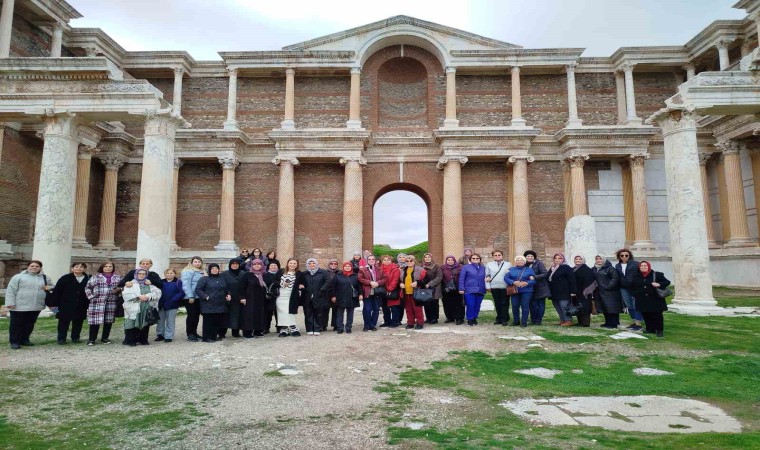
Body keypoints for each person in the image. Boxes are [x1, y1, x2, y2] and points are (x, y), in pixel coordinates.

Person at [6, 260, 50, 349]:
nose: (34, 267)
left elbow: (51, 286)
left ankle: (25, 339)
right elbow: (11, 290)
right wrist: (10, 302)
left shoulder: (45, 277)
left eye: (37, 266)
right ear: (28, 267)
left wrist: (49, 287)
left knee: (29, 324)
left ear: (40, 268)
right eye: (32, 266)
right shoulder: (18, 277)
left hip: (36, 305)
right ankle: (14, 341)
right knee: (16, 324)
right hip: (19, 305)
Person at [48, 262, 90, 345]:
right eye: (76, 266)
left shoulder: (88, 279)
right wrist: (54, 304)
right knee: (63, 322)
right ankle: (61, 338)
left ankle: (75, 337)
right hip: (65, 304)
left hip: (81, 304)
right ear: (72, 268)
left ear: (84, 269)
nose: (79, 268)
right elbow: (57, 291)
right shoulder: (65, 278)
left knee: (78, 322)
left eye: (81, 267)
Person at [121, 268, 161, 346]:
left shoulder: (149, 283)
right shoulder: (130, 283)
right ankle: (131, 340)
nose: (141, 275)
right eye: (139, 274)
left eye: (143, 274)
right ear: (136, 274)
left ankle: (143, 339)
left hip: (145, 306)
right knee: (132, 323)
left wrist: (148, 296)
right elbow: (126, 294)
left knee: (144, 322)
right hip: (133, 306)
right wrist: (138, 297)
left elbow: (157, 292)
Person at [85, 261, 122, 345]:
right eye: (106, 266)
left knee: (108, 321)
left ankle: (105, 338)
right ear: (102, 267)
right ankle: (92, 339)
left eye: (110, 266)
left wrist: (119, 290)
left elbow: (122, 287)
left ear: (113, 268)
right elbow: (87, 287)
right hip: (97, 301)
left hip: (111, 301)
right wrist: (91, 297)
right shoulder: (96, 277)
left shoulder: (118, 278)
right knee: (95, 321)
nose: (108, 268)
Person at [630, 261, 671, 337]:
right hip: (642, 299)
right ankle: (650, 329)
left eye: (645, 265)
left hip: (655, 299)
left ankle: (659, 330)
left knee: (657, 315)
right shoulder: (636, 276)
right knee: (646, 314)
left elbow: (667, 282)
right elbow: (632, 287)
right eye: (641, 266)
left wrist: (659, 284)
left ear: (649, 266)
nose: (643, 267)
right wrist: (635, 294)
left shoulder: (657, 274)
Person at [194, 263, 231, 343]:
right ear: (210, 270)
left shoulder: (222, 278)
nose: (215, 270)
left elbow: (226, 288)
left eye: (216, 268)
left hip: (220, 303)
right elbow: (198, 289)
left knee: (216, 321)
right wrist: (205, 296)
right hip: (208, 303)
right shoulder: (204, 279)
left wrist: (228, 294)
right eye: (213, 268)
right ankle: (206, 337)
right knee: (208, 321)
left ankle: (214, 336)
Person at [329, 261, 363, 334]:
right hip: (340, 297)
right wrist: (333, 296)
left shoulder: (355, 276)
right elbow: (332, 287)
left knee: (350, 313)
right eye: (346, 266)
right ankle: (340, 328)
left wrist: (360, 294)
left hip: (351, 297)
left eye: (349, 266)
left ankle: (348, 327)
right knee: (339, 313)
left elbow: (358, 286)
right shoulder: (338, 276)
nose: (347, 267)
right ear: (343, 267)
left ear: (351, 267)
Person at [591, 255, 624, 329]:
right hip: (599, 291)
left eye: (600, 259)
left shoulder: (610, 268)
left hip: (610, 292)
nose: (599, 260)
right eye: (597, 259)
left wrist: (608, 286)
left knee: (612, 308)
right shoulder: (594, 269)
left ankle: (613, 324)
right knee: (604, 307)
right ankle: (607, 322)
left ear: (604, 260)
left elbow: (615, 278)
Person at [240, 259, 270, 338]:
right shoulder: (247, 274)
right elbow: (242, 287)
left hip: (260, 298)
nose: (257, 266)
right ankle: (247, 332)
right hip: (250, 298)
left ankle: (258, 331)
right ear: (252, 265)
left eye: (259, 264)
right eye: (254, 264)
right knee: (249, 315)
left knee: (259, 314)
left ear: (262, 265)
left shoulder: (263, 275)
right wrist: (242, 297)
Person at [615, 248, 643, 332]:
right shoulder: (617, 266)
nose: (624, 257)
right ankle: (634, 321)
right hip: (623, 288)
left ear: (629, 256)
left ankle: (638, 323)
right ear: (619, 256)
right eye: (622, 255)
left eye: (626, 255)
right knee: (629, 305)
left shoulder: (636, 264)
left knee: (636, 305)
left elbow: (641, 273)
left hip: (634, 287)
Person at [505, 256, 536, 327]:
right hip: (514, 290)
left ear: (524, 261)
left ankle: (524, 322)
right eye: (518, 260)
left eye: (521, 260)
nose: (519, 261)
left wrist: (527, 283)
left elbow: (534, 280)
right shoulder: (511, 269)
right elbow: (506, 278)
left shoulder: (530, 270)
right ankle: (516, 321)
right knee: (515, 306)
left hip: (527, 290)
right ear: (515, 262)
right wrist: (513, 282)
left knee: (525, 305)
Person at [301, 258, 330, 335]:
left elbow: (327, 281)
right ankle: (309, 329)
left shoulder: (323, 272)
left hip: (319, 296)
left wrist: (321, 290)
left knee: (319, 313)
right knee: (308, 313)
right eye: (310, 264)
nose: (311, 265)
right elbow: (301, 282)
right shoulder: (304, 273)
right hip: (307, 296)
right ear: (307, 265)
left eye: (313, 263)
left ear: (316, 264)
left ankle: (317, 328)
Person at [547, 253, 576, 326]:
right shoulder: (552, 268)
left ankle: (568, 320)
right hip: (554, 291)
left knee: (564, 306)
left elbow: (572, 279)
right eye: (555, 258)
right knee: (557, 306)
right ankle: (562, 320)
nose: (557, 260)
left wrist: (573, 291)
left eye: (559, 258)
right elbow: (548, 277)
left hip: (564, 291)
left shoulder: (566, 267)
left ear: (563, 259)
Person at [181, 256, 206, 342]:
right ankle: (190, 334)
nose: (197, 263)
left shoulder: (201, 272)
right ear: (191, 263)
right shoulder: (188, 271)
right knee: (191, 316)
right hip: (191, 297)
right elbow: (186, 284)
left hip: (199, 297)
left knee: (196, 316)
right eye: (195, 262)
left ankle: (194, 332)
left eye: (199, 262)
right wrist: (190, 296)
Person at [358, 255, 386, 331]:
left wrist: (377, 283)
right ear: (367, 260)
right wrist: (370, 282)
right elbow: (360, 279)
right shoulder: (363, 269)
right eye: (369, 259)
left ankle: (373, 325)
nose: (371, 260)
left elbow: (385, 278)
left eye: (373, 259)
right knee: (367, 309)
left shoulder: (380, 269)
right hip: (367, 291)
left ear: (375, 260)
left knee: (376, 309)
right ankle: (366, 325)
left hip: (377, 292)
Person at [156, 268, 183, 343]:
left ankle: (168, 336)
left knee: (170, 321)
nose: (169, 274)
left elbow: (181, 293)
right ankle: (160, 334)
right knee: (160, 320)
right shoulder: (161, 282)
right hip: (161, 304)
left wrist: (174, 299)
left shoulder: (178, 282)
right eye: (167, 273)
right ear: (165, 274)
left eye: (171, 273)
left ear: (174, 274)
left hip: (172, 304)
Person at [458, 253, 486, 326]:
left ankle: (474, 317)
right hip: (469, 289)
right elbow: (461, 278)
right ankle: (470, 319)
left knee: (477, 305)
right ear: (470, 260)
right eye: (473, 258)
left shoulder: (483, 268)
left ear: (480, 260)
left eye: (477, 258)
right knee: (470, 305)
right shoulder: (466, 267)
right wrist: (461, 288)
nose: (475, 259)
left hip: (481, 289)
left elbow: (487, 276)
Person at [277, 258, 303, 337]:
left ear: (297, 265)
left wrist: (300, 285)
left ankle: (293, 327)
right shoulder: (281, 271)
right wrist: (282, 283)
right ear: (288, 264)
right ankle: (284, 328)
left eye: (294, 263)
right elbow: (274, 281)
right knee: (282, 312)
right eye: (291, 263)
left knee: (290, 311)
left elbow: (303, 282)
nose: (292, 265)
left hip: (292, 295)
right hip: (281, 295)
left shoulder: (298, 273)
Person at [222, 258, 246, 337]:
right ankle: (222, 333)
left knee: (237, 315)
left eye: (236, 264)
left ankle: (235, 332)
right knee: (225, 316)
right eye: (233, 264)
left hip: (239, 297)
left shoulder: (243, 273)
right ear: (230, 265)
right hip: (228, 297)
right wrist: (227, 293)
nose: (235, 265)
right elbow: (223, 285)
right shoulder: (225, 274)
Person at [485, 250, 511, 325]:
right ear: (493, 256)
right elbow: (487, 275)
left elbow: (509, 275)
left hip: (504, 286)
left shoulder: (508, 264)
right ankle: (499, 318)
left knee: (504, 303)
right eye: (495, 255)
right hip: (494, 286)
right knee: (497, 303)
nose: (497, 256)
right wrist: (488, 286)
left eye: (499, 255)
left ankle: (504, 319)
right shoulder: (489, 264)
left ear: (502, 256)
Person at [399, 254, 425, 330]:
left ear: (414, 261)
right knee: (408, 309)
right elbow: (399, 280)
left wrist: (418, 283)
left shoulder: (420, 269)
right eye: (407, 261)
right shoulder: (403, 270)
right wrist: (400, 284)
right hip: (406, 292)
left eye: (411, 261)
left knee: (417, 309)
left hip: (416, 292)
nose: (409, 262)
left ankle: (420, 323)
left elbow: (426, 279)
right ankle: (410, 323)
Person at [525, 250, 550, 325]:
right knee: (532, 304)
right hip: (530, 287)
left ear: (534, 257)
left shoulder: (539, 263)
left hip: (540, 287)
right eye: (528, 256)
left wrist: (535, 277)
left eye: (531, 256)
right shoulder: (524, 264)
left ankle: (538, 320)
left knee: (541, 304)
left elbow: (545, 273)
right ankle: (533, 319)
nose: (530, 257)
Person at [378, 255, 402, 327]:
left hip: (392, 290)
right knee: (385, 307)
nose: (386, 261)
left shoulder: (395, 269)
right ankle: (387, 321)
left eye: (388, 260)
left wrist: (390, 289)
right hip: (382, 290)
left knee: (394, 307)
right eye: (384, 260)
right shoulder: (379, 269)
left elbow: (395, 280)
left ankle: (395, 322)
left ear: (391, 261)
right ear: (382, 261)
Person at [420, 253, 443, 325]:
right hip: (424, 287)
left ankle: (434, 318)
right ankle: (428, 318)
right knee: (426, 303)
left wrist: (430, 284)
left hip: (434, 287)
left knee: (434, 304)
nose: (427, 258)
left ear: (431, 258)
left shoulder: (436, 266)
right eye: (425, 257)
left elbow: (439, 277)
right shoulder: (421, 266)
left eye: (428, 257)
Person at [441, 255, 464, 325]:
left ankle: (459, 318)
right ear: (446, 261)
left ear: (454, 260)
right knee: (447, 303)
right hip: (446, 288)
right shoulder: (443, 268)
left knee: (458, 304)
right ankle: (450, 317)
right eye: (448, 260)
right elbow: (440, 276)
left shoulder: (459, 267)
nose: (450, 261)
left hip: (457, 288)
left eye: (452, 260)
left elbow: (462, 277)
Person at [572, 255, 595, 327]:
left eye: (580, 259)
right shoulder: (574, 269)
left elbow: (589, 280)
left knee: (585, 307)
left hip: (584, 291)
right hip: (577, 291)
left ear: (583, 260)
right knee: (578, 306)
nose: (578, 260)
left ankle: (585, 323)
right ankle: (580, 321)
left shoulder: (586, 269)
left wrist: (586, 291)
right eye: (576, 259)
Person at [321, 259, 340, 331]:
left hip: (336, 293)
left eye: (335, 264)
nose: (333, 265)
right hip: (326, 293)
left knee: (336, 310)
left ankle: (335, 325)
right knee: (324, 310)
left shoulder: (340, 272)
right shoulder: (324, 272)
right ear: (329, 264)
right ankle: (323, 325)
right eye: (332, 263)